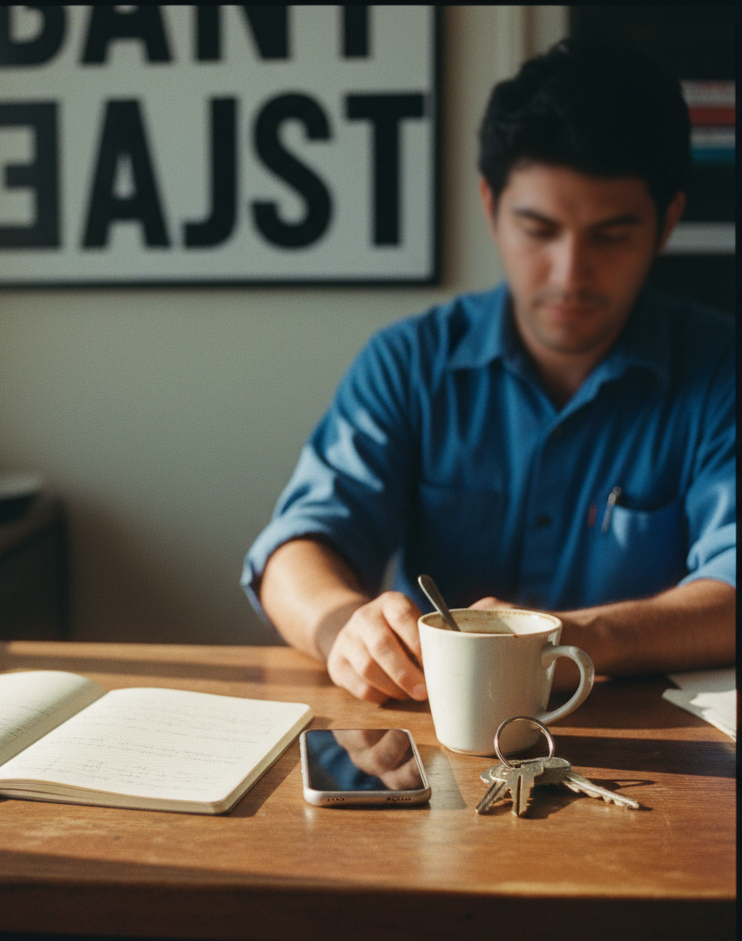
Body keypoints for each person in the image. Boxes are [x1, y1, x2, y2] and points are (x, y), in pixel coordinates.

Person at [241, 38, 736, 705]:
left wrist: (573, 639)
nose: (569, 273)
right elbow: (296, 548)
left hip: (664, 758)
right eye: (538, 228)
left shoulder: (722, 370)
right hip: (434, 745)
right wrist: (342, 628)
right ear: (491, 207)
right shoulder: (410, 362)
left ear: (666, 221)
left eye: (611, 234)